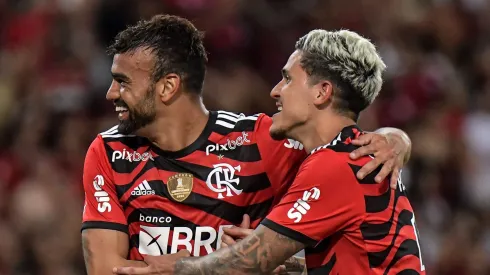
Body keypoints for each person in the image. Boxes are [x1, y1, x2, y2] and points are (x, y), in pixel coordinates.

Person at [82, 15, 413, 275]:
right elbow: (106, 270)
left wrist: (396, 139)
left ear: (168, 87)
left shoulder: (264, 142)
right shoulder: (110, 151)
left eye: (123, 82)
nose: (110, 93)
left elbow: (249, 261)